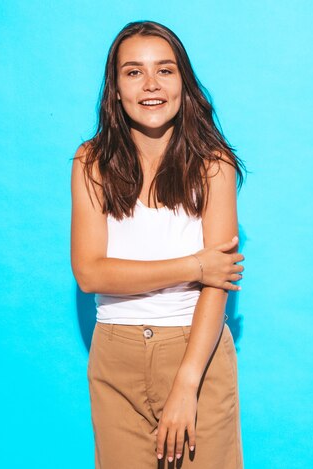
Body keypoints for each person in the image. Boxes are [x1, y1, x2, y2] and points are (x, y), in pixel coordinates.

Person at [70, 20, 246, 468]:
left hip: (196, 353)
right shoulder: (91, 161)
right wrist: (194, 265)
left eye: (165, 71)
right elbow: (91, 273)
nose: (151, 85)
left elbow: (218, 283)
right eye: (133, 72)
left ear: (183, 83)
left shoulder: (214, 165)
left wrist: (188, 383)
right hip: (115, 355)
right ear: (115, 89)